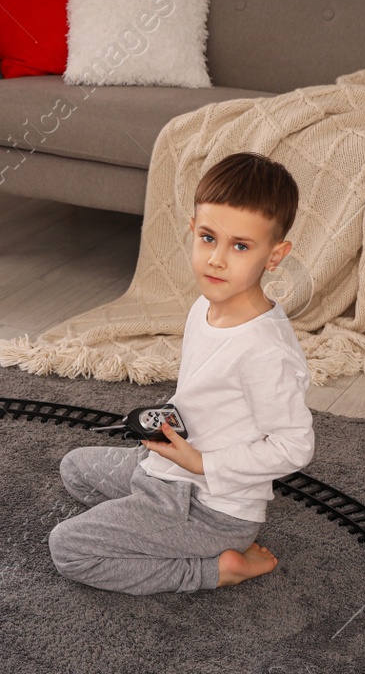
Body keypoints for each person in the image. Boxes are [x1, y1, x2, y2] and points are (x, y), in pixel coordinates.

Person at [48, 151, 315, 595]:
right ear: (192, 231)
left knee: (69, 548)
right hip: (166, 469)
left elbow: (295, 447)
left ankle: (215, 568)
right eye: (208, 238)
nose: (217, 259)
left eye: (241, 246)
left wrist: (202, 463)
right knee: (74, 468)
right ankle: (152, 523)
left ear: (275, 255)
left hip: (210, 509)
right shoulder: (203, 307)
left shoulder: (266, 352)